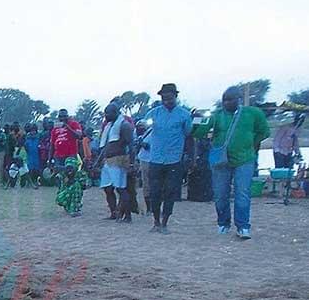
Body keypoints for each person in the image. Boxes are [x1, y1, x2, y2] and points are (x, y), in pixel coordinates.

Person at [193, 87, 270, 239]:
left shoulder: (252, 113)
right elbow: (198, 133)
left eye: (230, 99)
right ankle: (223, 223)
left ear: (238, 99)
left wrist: (251, 144)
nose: (226, 103)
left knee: (242, 193)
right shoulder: (217, 116)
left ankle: (243, 226)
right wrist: (197, 120)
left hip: (245, 159)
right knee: (220, 193)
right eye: (224, 100)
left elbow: (264, 131)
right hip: (221, 161)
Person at [146, 84, 193, 233]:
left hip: (174, 158)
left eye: (169, 98)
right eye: (163, 98)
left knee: (170, 192)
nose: (166, 101)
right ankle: (156, 221)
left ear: (175, 96)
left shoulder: (184, 115)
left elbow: (189, 136)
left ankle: (165, 222)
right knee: (154, 192)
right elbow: (144, 128)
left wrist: (191, 158)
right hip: (155, 158)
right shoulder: (153, 114)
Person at [98, 103, 136, 222]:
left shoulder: (124, 126)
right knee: (107, 188)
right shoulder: (109, 126)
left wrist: (131, 163)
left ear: (115, 112)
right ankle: (114, 212)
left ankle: (127, 215)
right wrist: (98, 161)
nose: (106, 115)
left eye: (108, 113)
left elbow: (131, 146)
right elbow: (105, 146)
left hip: (119, 160)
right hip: (108, 161)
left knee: (121, 188)